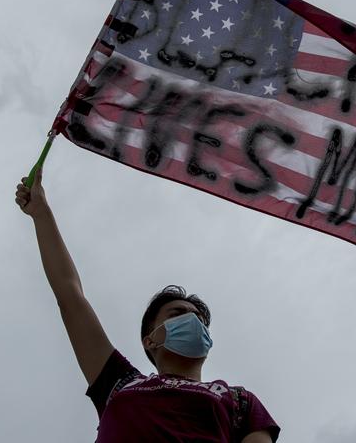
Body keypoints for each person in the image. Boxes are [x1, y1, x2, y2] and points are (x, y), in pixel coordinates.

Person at [15, 166, 280, 442]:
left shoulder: (240, 401)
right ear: (149, 340)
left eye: (199, 319)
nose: (193, 321)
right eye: (178, 313)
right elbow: (70, 296)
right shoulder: (118, 382)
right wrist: (41, 213)